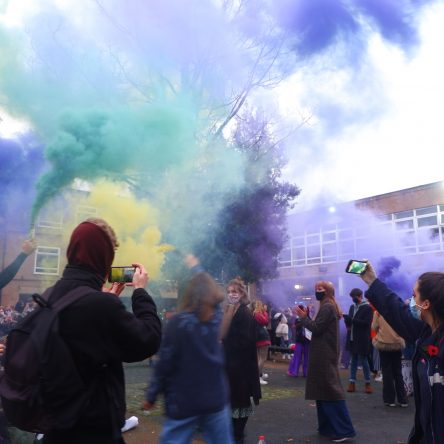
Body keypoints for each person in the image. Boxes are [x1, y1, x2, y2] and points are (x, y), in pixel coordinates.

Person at [39, 218, 162, 444]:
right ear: (101, 256)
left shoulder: (50, 295)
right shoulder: (98, 305)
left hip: (55, 427)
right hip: (93, 430)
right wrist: (141, 292)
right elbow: (148, 339)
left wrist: (107, 300)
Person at [144, 256, 233, 444]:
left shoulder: (179, 322)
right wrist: (197, 268)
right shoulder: (216, 318)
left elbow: (165, 363)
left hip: (184, 399)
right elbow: (213, 296)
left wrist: (152, 395)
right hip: (215, 397)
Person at [359, 261, 444, 444]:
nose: (411, 301)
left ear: (426, 304)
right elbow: (396, 309)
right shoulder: (426, 331)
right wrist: (372, 281)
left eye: (414, 296)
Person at [295, 281, 356, 443]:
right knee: (323, 391)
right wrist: (306, 317)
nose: (317, 291)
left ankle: (343, 430)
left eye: (320, 289)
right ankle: (328, 427)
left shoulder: (328, 306)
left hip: (324, 354)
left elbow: (316, 328)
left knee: (330, 391)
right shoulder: (328, 305)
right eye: (316, 289)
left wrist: (303, 318)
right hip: (323, 352)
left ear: (328, 291)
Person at [222, 277, 261, 444]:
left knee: (239, 403)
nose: (231, 294)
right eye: (229, 292)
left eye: (234, 292)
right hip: (232, 366)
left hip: (241, 368)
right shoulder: (232, 310)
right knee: (233, 403)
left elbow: (245, 341)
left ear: (241, 294)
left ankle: (237, 437)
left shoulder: (244, 313)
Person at [371, 310, 408, 407]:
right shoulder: (398, 310)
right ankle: (403, 399)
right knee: (398, 372)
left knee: (387, 373)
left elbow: (374, 327)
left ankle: (389, 400)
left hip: (384, 344)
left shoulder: (378, 312)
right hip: (397, 343)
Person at [343, 288, 373, 394]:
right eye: (351, 297)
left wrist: (352, 320)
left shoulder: (368, 308)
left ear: (360, 296)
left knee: (363, 360)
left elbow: (366, 323)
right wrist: (347, 321)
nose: (352, 299)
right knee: (353, 360)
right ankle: (352, 382)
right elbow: (351, 321)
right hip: (352, 337)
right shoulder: (352, 307)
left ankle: (368, 383)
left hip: (362, 338)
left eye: (354, 297)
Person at [287, 305, 310, 377]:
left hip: (303, 340)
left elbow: (295, 327)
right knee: (301, 357)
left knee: (301, 357)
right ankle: (299, 372)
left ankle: (296, 372)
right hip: (303, 340)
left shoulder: (302, 319)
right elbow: (296, 327)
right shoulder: (302, 319)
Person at [252, 300, 271, 385]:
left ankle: (259, 374)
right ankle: (257, 377)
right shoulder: (258, 314)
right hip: (262, 337)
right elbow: (266, 322)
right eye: (264, 305)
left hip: (257, 336)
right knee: (262, 358)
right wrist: (265, 313)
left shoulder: (253, 313)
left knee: (259, 358)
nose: (265, 307)